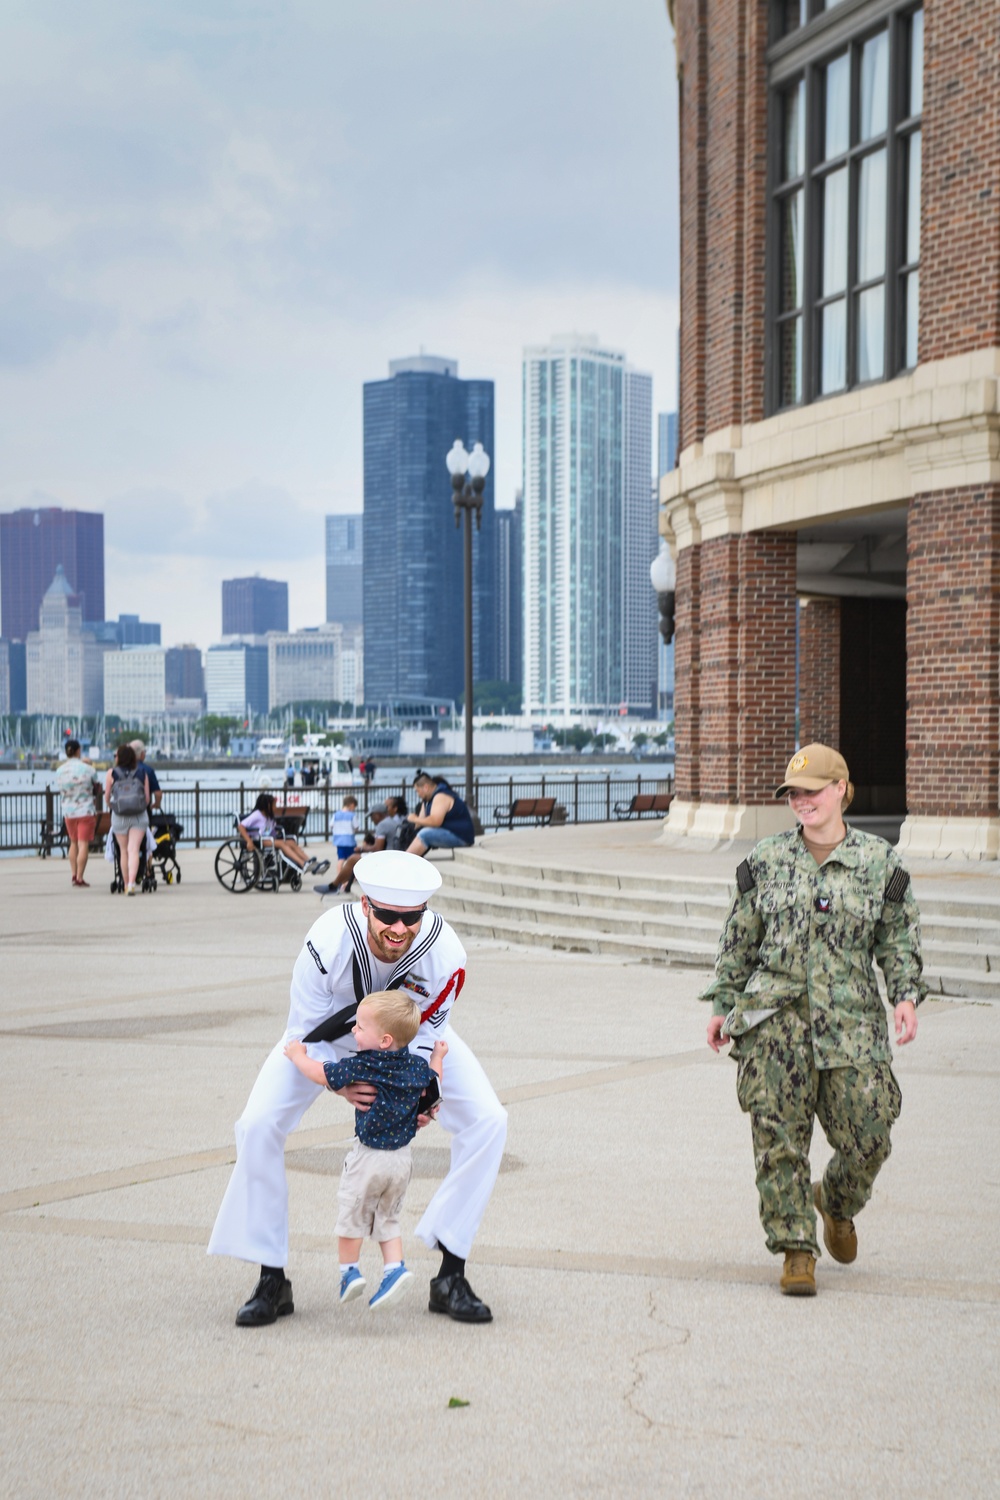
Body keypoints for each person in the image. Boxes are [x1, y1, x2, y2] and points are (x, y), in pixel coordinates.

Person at [208, 849, 505, 1327]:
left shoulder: (446, 952)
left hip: (403, 1039)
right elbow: (301, 1031)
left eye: (411, 917)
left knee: (490, 1121)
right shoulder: (326, 940)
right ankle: (271, 1277)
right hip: (326, 1041)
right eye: (388, 915)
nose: (399, 929)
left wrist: (424, 1090)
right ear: (366, 905)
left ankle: (451, 1272)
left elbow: (430, 1032)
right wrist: (340, 1084)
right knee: (257, 1124)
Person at [701, 743, 926, 1297]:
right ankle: (796, 1249)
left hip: (851, 1023)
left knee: (872, 1133)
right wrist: (722, 1005)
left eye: (812, 791)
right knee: (778, 1140)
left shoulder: (882, 864)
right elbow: (739, 940)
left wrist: (904, 996)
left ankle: (837, 1201)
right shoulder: (765, 861)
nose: (802, 802)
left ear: (841, 791)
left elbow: (897, 939)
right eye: (794, 794)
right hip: (773, 1025)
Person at [284, 991, 448, 1310]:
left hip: (368, 1158)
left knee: (351, 1217)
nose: (353, 1031)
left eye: (360, 1027)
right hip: (402, 1161)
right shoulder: (416, 1067)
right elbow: (435, 1086)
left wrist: (296, 1055)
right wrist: (438, 1056)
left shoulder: (363, 1065)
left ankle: (349, 1272)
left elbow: (322, 1075)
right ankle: (393, 1269)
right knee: (388, 1218)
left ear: (384, 1040)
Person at [314, 796, 406, 898]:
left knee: (353, 858)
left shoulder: (382, 825)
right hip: (393, 855)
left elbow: (377, 848)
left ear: (378, 815)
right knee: (356, 856)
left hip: (386, 858)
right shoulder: (392, 821)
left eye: (372, 816)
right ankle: (341, 884)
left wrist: (361, 849)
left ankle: (334, 886)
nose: (371, 820)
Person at [105, 743, 150, 896]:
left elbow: (107, 797)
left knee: (123, 851)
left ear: (118, 757)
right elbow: (148, 798)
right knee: (134, 850)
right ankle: (132, 882)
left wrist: (115, 806)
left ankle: (125, 884)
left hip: (119, 816)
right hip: (139, 816)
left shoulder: (112, 773)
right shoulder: (142, 772)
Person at [54, 739, 101, 887]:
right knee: (83, 843)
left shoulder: (59, 770)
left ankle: (73, 874)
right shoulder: (88, 769)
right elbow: (96, 786)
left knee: (73, 842)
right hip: (85, 810)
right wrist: (88, 764)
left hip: (68, 811)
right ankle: (80, 877)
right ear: (78, 751)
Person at [238, 793, 320, 873]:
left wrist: (276, 834)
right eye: (274, 805)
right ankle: (302, 863)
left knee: (291, 842)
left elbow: (269, 830)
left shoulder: (269, 816)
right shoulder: (257, 815)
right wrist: (249, 841)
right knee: (281, 844)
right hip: (257, 840)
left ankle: (309, 861)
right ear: (267, 806)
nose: (275, 807)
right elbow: (241, 826)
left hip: (268, 839)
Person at [407, 770, 475, 857]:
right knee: (420, 832)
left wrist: (414, 818)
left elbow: (435, 821)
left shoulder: (441, 796)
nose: (417, 794)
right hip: (450, 833)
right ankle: (406, 858)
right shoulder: (429, 799)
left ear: (426, 787)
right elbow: (420, 823)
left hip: (461, 837)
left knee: (425, 834)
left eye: (417, 791)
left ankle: (405, 862)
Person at [330, 794, 359, 882]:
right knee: (353, 860)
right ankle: (353, 876)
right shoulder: (352, 815)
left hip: (339, 841)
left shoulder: (336, 815)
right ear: (352, 805)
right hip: (350, 841)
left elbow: (331, 825)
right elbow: (356, 826)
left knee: (341, 859)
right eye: (354, 807)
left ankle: (339, 876)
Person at [129, 740, 162, 811]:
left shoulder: (120, 770)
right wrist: (156, 804)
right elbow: (158, 793)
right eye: (145, 752)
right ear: (142, 753)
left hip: (121, 812)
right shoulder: (148, 770)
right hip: (143, 810)